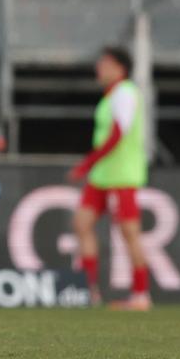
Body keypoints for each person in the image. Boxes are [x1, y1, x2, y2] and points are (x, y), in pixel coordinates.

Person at [69, 46, 151, 311]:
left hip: (121, 174)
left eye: (104, 63)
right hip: (103, 174)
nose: (99, 68)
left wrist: (86, 163)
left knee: (129, 232)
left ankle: (141, 295)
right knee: (82, 223)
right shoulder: (110, 96)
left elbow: (118, 134)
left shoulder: (126, 93)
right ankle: (89, 291)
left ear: (120, 68)